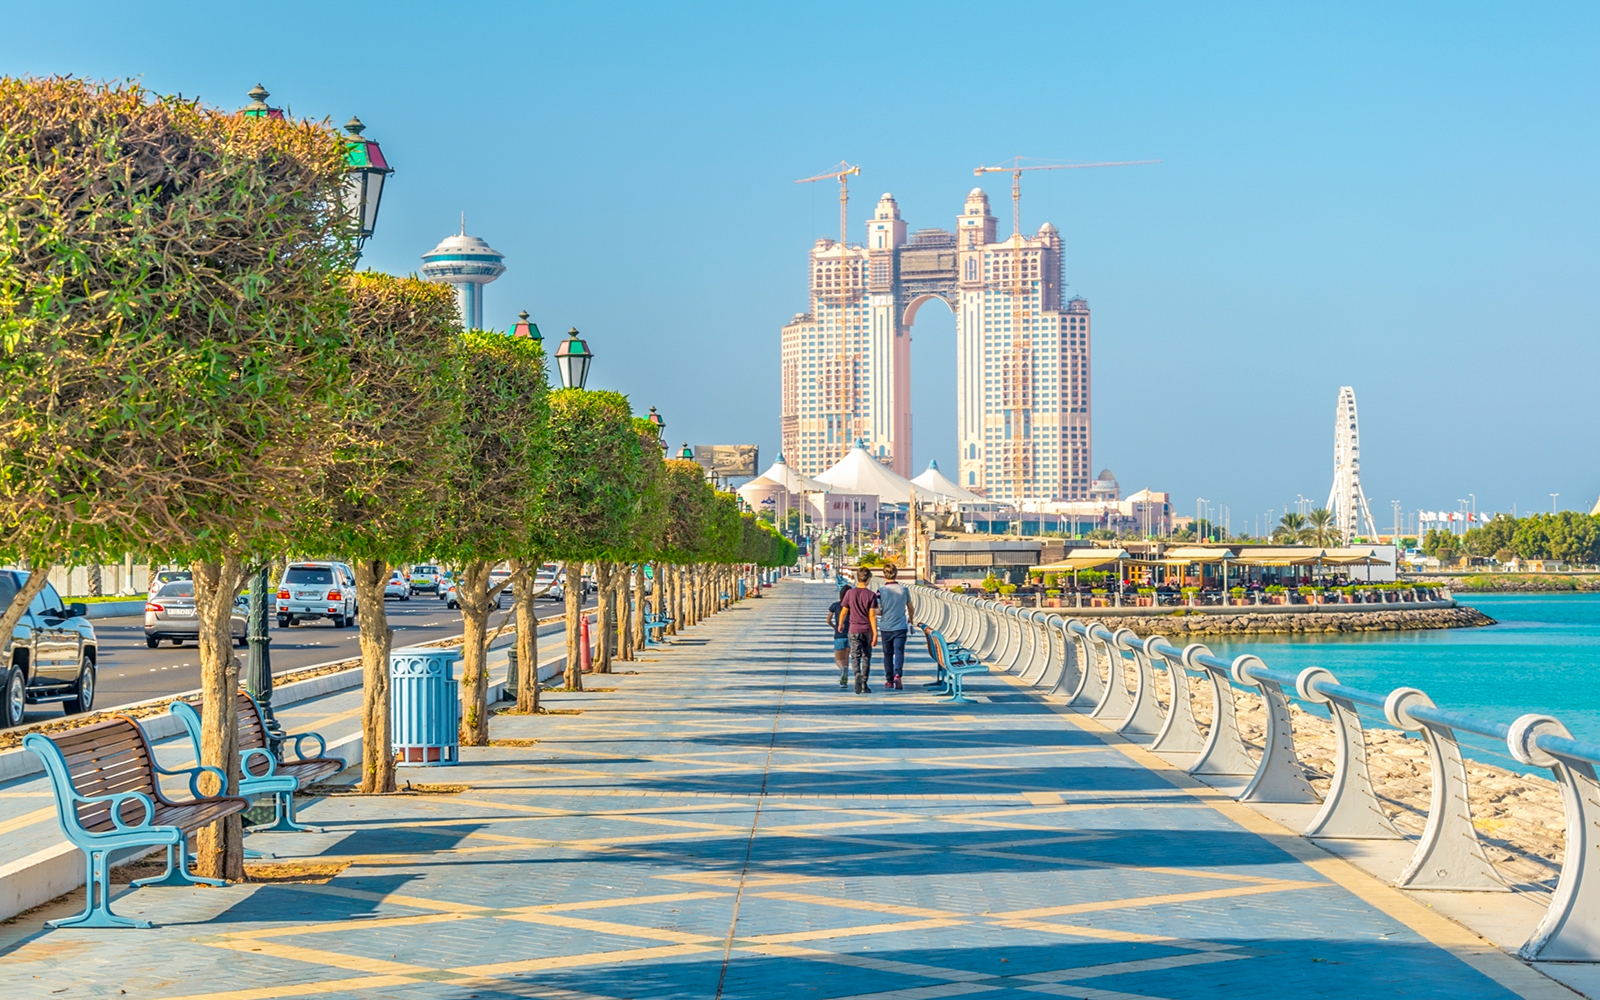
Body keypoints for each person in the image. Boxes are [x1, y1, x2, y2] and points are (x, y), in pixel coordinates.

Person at [837, 566, 879, 694]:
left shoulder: (850, 593)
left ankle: (857, 674)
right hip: (867, 630)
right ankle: (864, 684)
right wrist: (875, 633)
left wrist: (840, 624)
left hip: (853, 629)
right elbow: (872, 615)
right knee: (866, 656)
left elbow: (844, 611)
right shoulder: (871, 595)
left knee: (855, 656)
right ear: (869, 579)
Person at [875, 565, 914, 690]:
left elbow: (877, 610)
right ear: (896, 574)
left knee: (887, 654)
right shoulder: (904, 589)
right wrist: (911, 619)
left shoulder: (880, 591)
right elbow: (910, 607)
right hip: (901, 626)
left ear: (884, 575)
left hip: (886, 627)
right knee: (899, 652)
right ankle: (897, 675)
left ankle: (889, 680)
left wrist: (884, 612)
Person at [826, 585, 851, 687]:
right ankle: (844, 680)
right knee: (846, 658)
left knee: (838, 659)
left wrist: (834, 626)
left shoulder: (835, 606)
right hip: (850, 635)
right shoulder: (852, 607)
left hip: (839, 635)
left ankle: (842, 670)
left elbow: (828, 620)